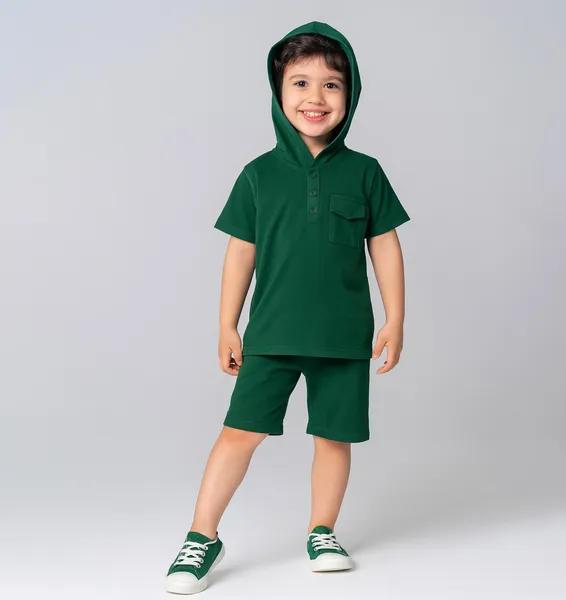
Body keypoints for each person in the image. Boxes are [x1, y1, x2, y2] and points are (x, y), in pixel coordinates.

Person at [165, 20, 410, 594]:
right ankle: (201, 536)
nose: (315, 97)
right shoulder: (258, 174)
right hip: (272, 334)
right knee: (239, 433)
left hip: (344, 336)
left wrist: (396, 318)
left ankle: (322, 531)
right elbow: (240, 252)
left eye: (331, 84)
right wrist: (227, 324)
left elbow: (385, 246)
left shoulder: (365, 171)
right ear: (278, 92)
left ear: (350, 94)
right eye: (300, 83)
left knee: (333, 437)